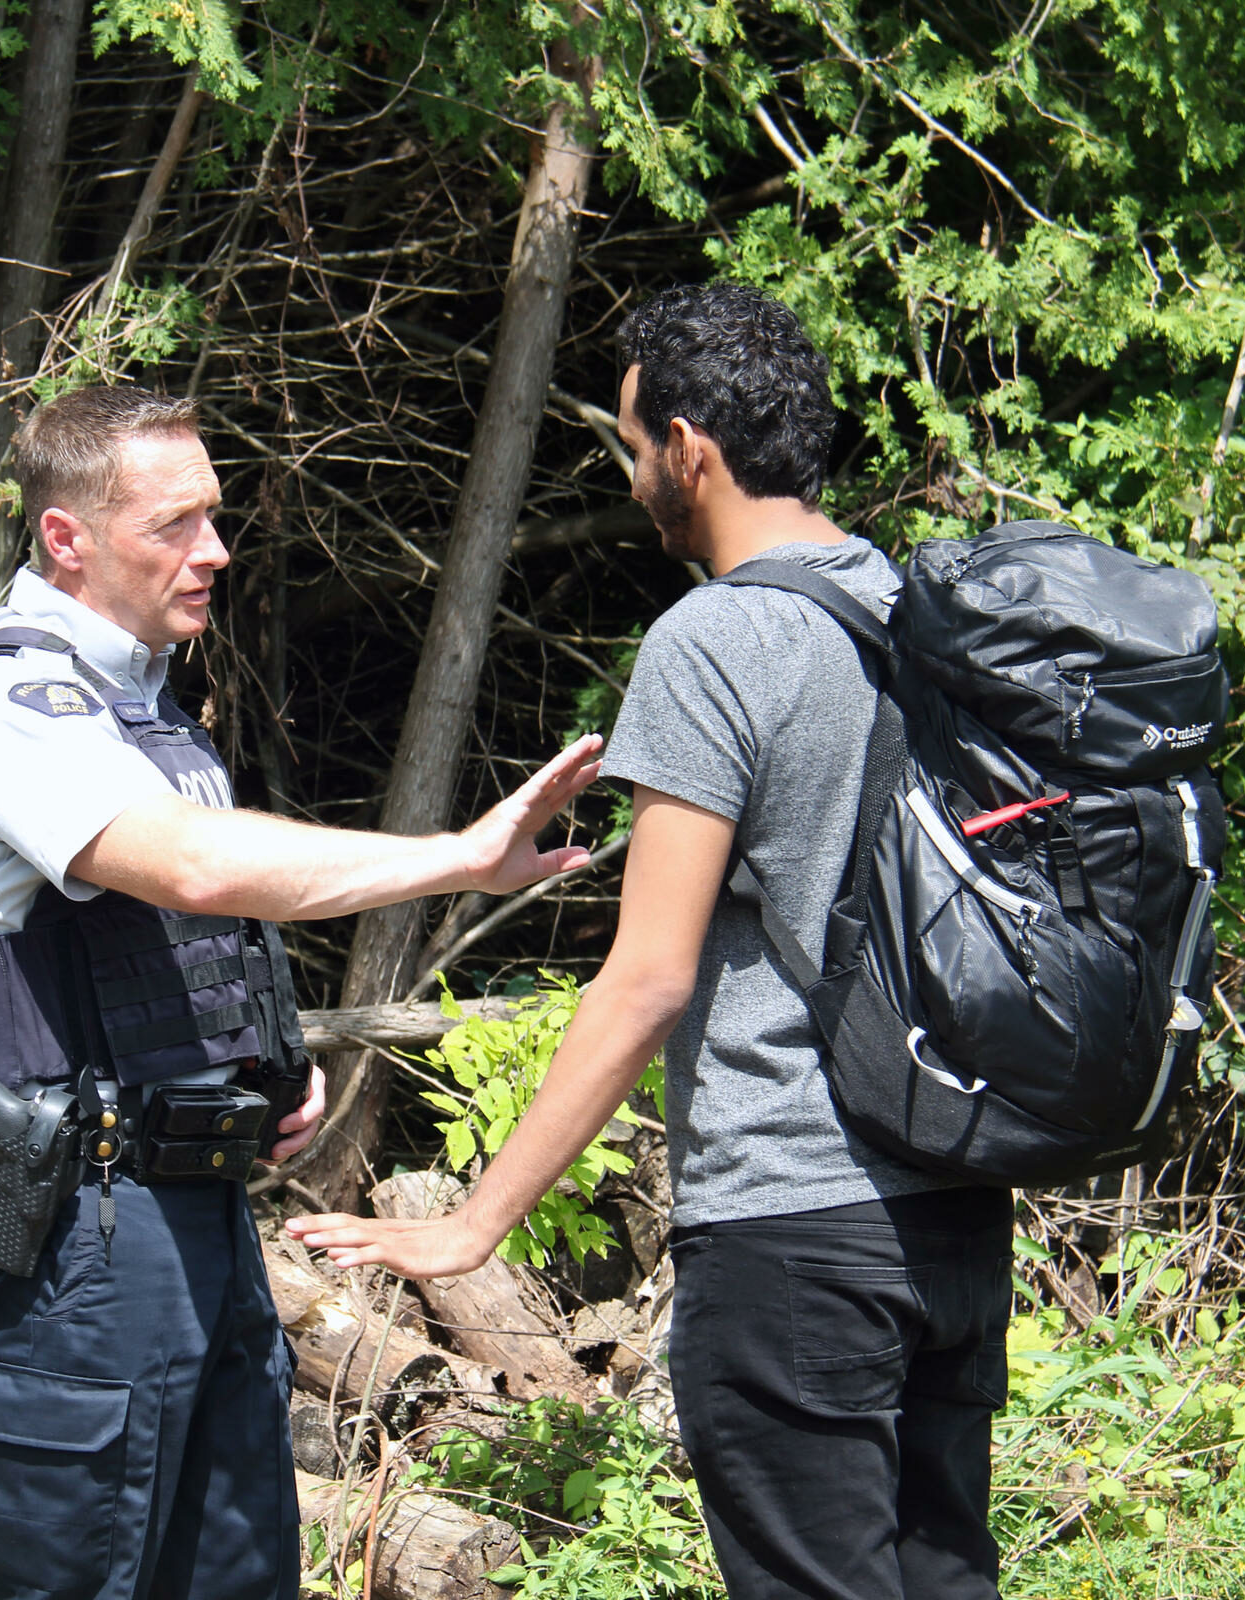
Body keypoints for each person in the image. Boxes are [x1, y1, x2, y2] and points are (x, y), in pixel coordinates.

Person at [286, 282, 1012, 1600]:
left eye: (631, 447)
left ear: (693, 451)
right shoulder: (912, 614)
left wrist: (476, 1223)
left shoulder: (720, 640)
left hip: (794, 1229)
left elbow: (648, 976)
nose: (630, 482)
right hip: (953, 1220)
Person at [0, 383, 603, 1600]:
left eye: (214, 516)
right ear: (66, 537)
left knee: (230, 1575)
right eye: (174, 523)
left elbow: (177, 935)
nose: (213, 550)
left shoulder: (144, 707)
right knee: (66, 1572)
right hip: (78, 1232)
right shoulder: (2, 699)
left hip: (196, 1217)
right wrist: (460, 856)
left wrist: (259, 1063)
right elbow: (197, 867)